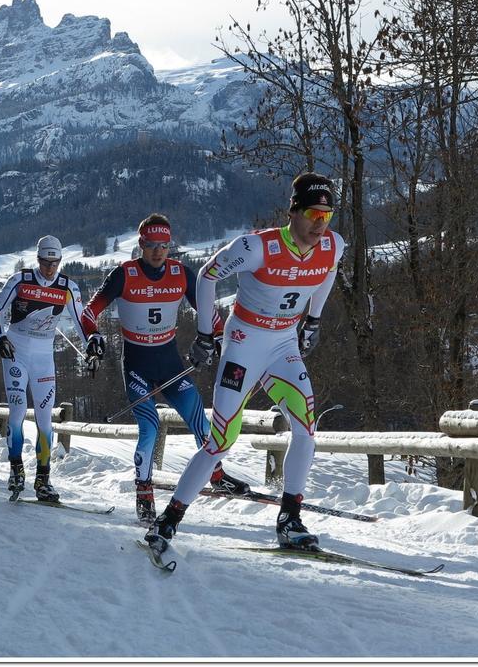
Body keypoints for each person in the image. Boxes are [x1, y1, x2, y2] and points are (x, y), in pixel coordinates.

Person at [145, 173, 344, 553]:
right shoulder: (257, 247)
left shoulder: (333, 245)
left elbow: (329, 272)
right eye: (313, 214)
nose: (320, 224)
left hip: (284, 343)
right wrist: (206, 333)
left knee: (306, 426)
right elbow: (207, 276)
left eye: (327, 216)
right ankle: (168, 520)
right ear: (293, 212)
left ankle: (290, 519)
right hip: (244, 341)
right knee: (221, 440)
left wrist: (313, 319)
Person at [80, 214, 251, 526]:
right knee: (150, 428)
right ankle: (144, 494)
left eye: (164, 245)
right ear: (141, 245)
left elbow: (210, 316)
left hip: (169, 361)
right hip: (137, 364)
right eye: (151, 245)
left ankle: (216, 475)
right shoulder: (124, 274)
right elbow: (90, 311)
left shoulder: (181, 273)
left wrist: (213, 340)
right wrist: (93, 336)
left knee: (199, 418)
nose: (158, 251)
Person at [0, 235, 90, 502]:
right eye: (45, 262)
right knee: (18, 411)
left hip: (44, 355)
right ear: (38, 259)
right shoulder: (20, 280)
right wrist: (1, 338)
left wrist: (91, 342)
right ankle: (16, 471)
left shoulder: (68, 286)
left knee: (45, 419)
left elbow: (81, 321)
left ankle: (43, 480)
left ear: (60, 260)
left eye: (54, 262)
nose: (49, 268)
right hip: (16, 351)